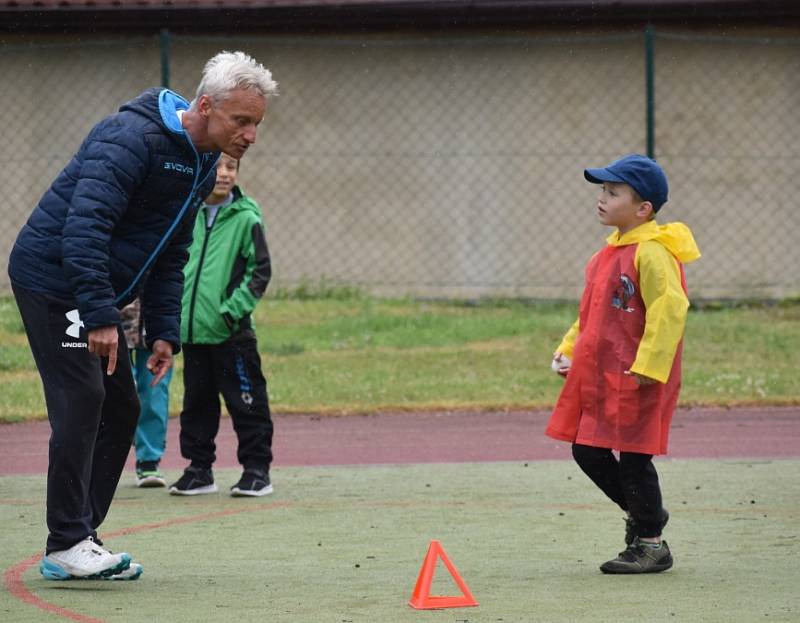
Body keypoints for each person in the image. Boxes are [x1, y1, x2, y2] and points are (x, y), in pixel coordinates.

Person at [7, 51, 277, 581]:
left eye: (256, 124)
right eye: (240, 121)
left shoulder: (202, 160)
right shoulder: (131, 139)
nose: (250, 135)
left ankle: (80, 536)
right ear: (205, 105)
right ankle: (66, 541)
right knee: (84, 397)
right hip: (55, 279)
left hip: (92, 288)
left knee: (122, 407)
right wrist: (101, 315)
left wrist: (163, 334)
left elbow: (172, 251)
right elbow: (83, 228)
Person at [545, 154, 700, 574]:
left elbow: (670, 309)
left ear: (643, 208)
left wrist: (650, 365)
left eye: (613, 193)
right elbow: (590, 314)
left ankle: (651, 543)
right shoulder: (606, 255)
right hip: (602, 377)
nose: (602, 198)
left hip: (640, 377)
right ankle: (647, 516)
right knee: (587, 449)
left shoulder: (652, 253)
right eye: (602, 190)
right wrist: (570, 351)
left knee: (633, 458)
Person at [169, 153, 274, 498]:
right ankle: (200, 469)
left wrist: (231, 312)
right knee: (196, 403)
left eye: (232, 167)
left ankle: (256, 470)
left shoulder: (246, 218)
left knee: (247, 401)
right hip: (194, 332)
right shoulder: (189, 213)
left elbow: (259, 272)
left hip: (233, 335)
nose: (225, 174)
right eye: (219, 167)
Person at [120, 299, 173, 487]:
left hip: (156, 321)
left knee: (154, 389)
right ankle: (101, 458)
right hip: (112, 318)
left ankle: (148, 460)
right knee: (114, 391)